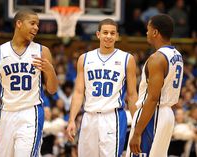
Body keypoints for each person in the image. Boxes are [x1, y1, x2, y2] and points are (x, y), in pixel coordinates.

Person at [0, 9, 58, 157]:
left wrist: (50, 71)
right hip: (6, 114)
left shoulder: (42, 51)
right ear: (19, 23)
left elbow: (52, 90)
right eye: (32, 23)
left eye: (37, 24)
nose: (36, 28)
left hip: (31, 113)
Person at [66, 18, 138, 157]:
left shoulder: (127, 59)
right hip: (89, 117)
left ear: (117, 36)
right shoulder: (84, 58)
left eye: (112, 33)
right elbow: (79, 92)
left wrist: (136, 125)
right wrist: (71, 120)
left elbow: (132, 95)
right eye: (105, 32)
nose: (109, 36)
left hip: (113, 117)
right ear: (98, 34)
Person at [126, 14, 184, 157]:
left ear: (155, 32)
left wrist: (137, 132)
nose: (146, 32)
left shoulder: (157, 58)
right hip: (167, 114)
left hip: (153, 115)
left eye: (148, 29)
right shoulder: (177, 55)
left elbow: (152, 98)